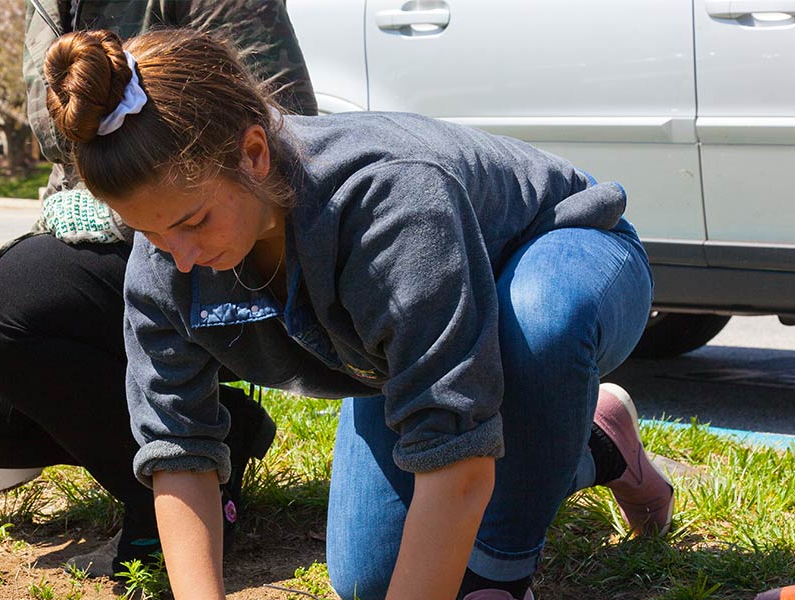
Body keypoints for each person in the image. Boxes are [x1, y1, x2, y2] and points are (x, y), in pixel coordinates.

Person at [42, 27, 675, 600]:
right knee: (371, 580)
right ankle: (594, 439)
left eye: (193, 222)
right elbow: (178, 449)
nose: (179, 259)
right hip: (408, 340)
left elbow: (454, 460)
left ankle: (504, 573)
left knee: (535, 323)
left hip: (563, 251)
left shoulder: (390, 207)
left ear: (254, 154)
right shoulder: (167, 256)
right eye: (151, 235)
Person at [0, 0, 319, 579]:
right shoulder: (43, 8)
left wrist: (133, 213)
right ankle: (217, 431)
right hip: (136, 231)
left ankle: (179, 510)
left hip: (214, 242)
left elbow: (279, 126)